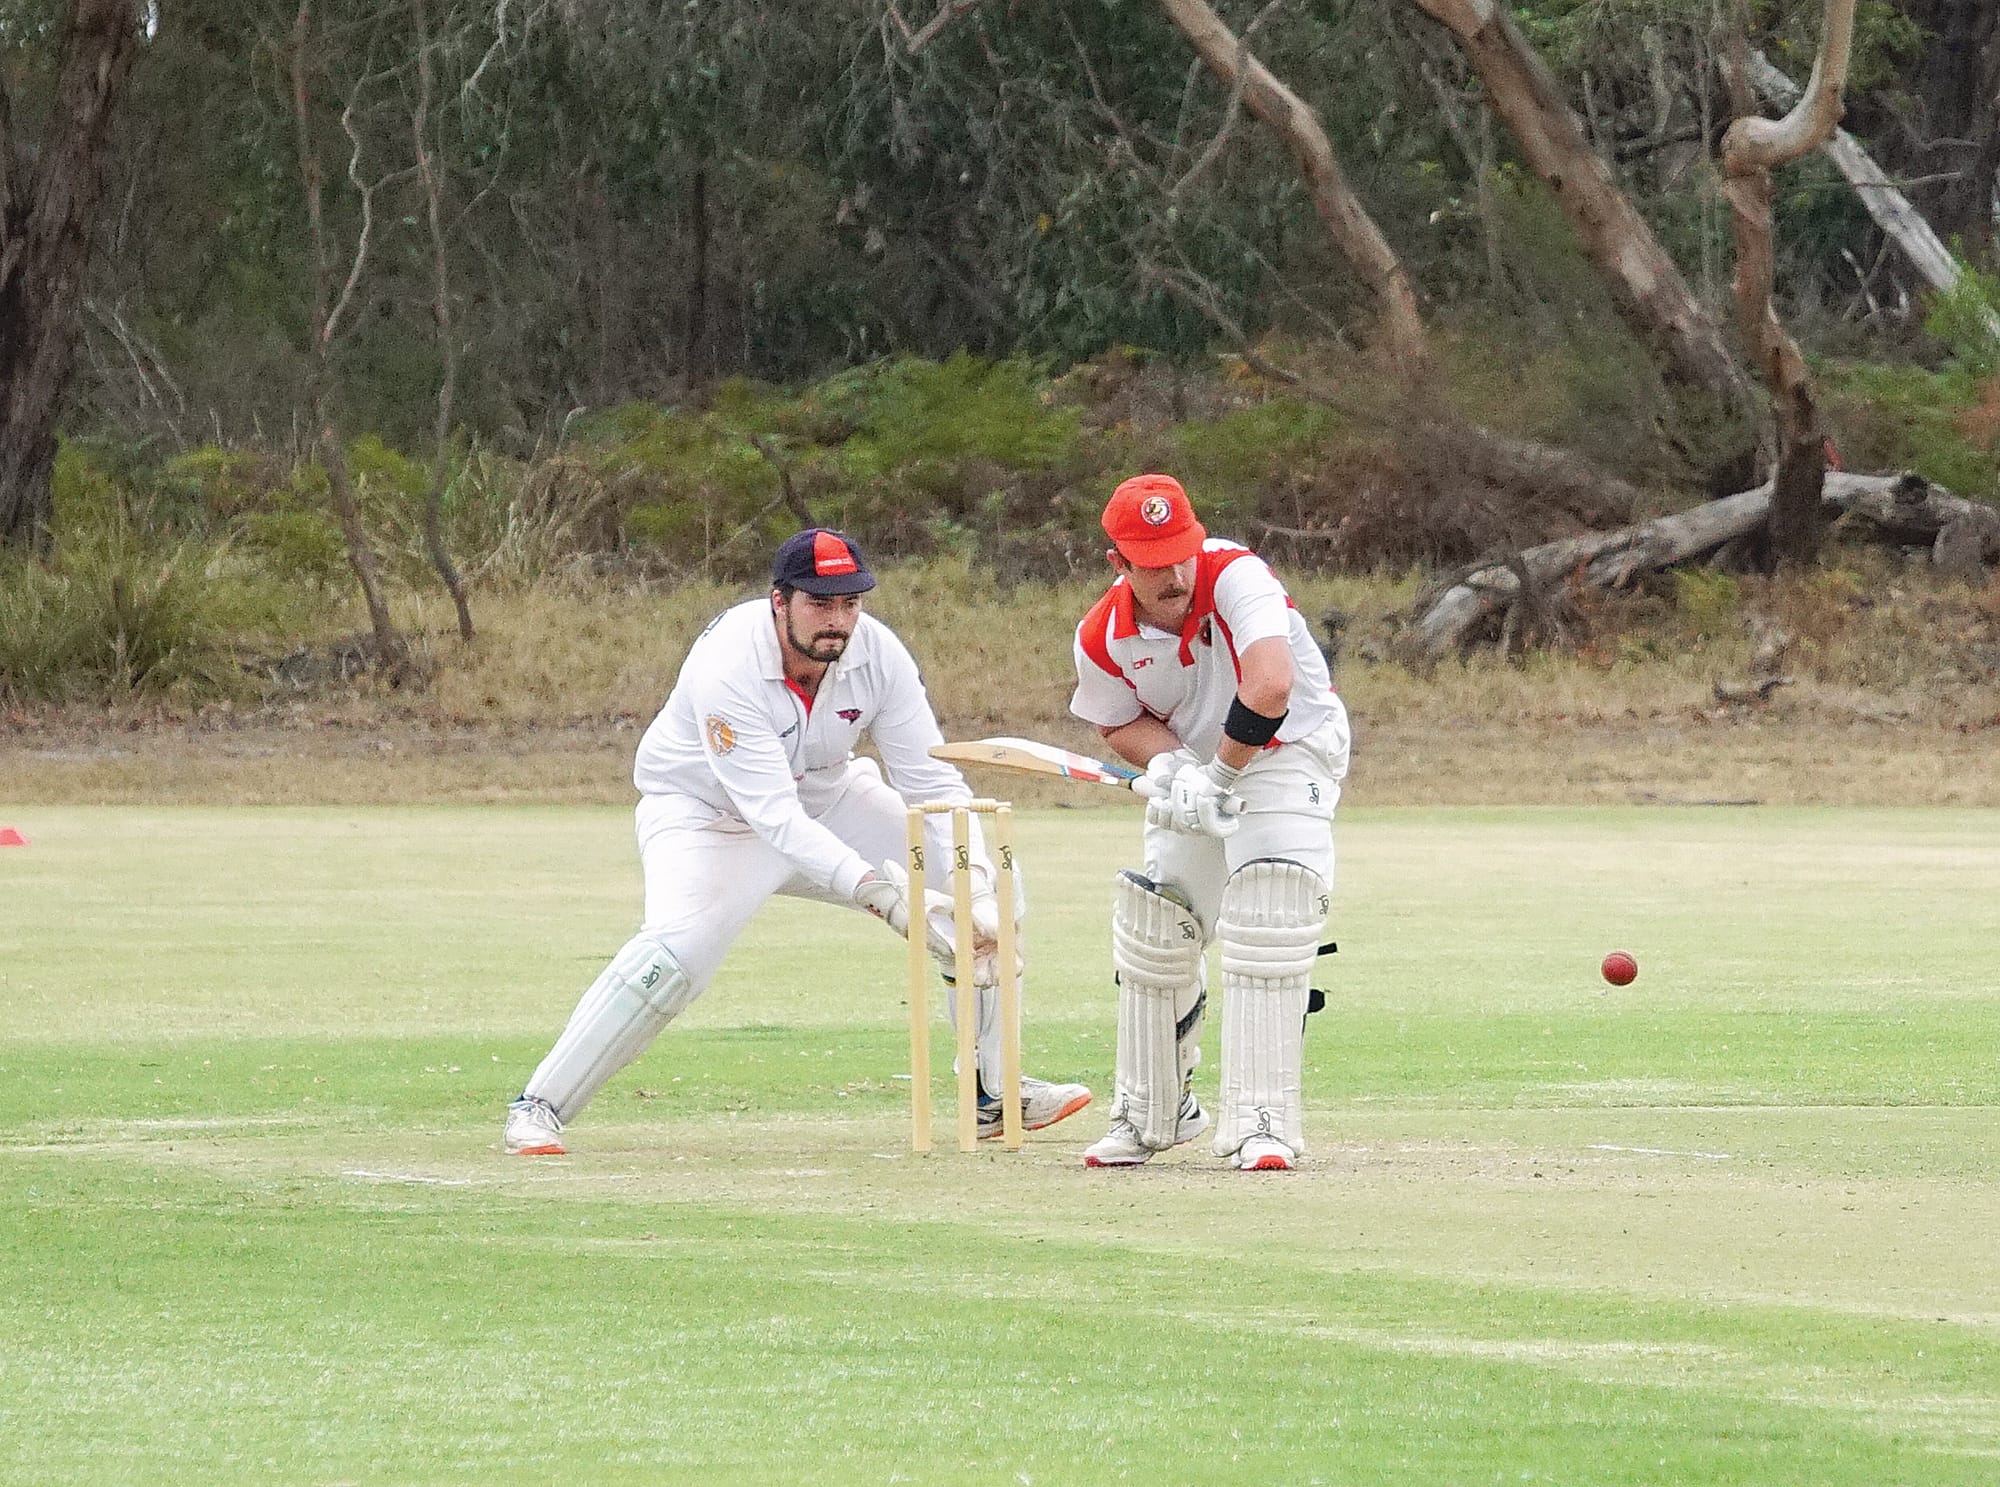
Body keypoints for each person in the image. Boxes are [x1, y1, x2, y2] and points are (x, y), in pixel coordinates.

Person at [504, 528, 1091, 1155]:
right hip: (710, 815)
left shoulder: (878, 653)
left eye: (850, 603)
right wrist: (881, 895)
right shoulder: (728, 664)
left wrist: (972, 880)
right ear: (778, 601)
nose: (837, 621)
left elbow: (931, 779)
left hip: (828, 795)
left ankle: (991, 1094)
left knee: (990, 888)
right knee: (676, 958)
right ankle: (539, 1106)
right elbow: (775, 820)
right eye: (819, 603)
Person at [1068, 474, 1349, 1172]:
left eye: (1179, 552)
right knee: (1159, 921)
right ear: (1119, 564)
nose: (1172, 573)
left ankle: (1263, 1119)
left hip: (1290, 750)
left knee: (1270, 904)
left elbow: (1271, 684)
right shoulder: (1102, 635)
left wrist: (1219, 774)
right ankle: (1153, 1110)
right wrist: (1174, 769)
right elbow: (1116, 720)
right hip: (1199, 762)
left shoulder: (1237, 575)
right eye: (1151, 560)